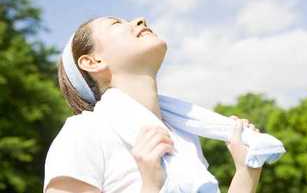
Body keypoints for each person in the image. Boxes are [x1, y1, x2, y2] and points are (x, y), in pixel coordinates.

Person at [44, 16, 262, 193]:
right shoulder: (84, 132)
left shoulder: (183, 139)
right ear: (93, 62)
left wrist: (246, 171)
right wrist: (150, 185)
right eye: (116, 23)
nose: (140, 20)